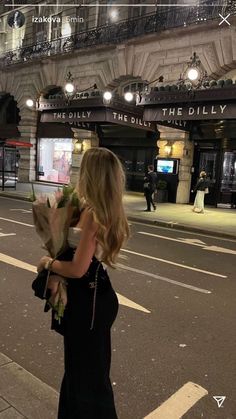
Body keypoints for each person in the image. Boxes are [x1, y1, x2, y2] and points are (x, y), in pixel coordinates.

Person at [37, 147, 130, 419]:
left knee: (86, 378)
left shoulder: (92, 214)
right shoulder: (104, 210)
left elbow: (78, 269)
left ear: (92, 175)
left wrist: (48, 263)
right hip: (98, 296)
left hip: (87, 303)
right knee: (89, 372)